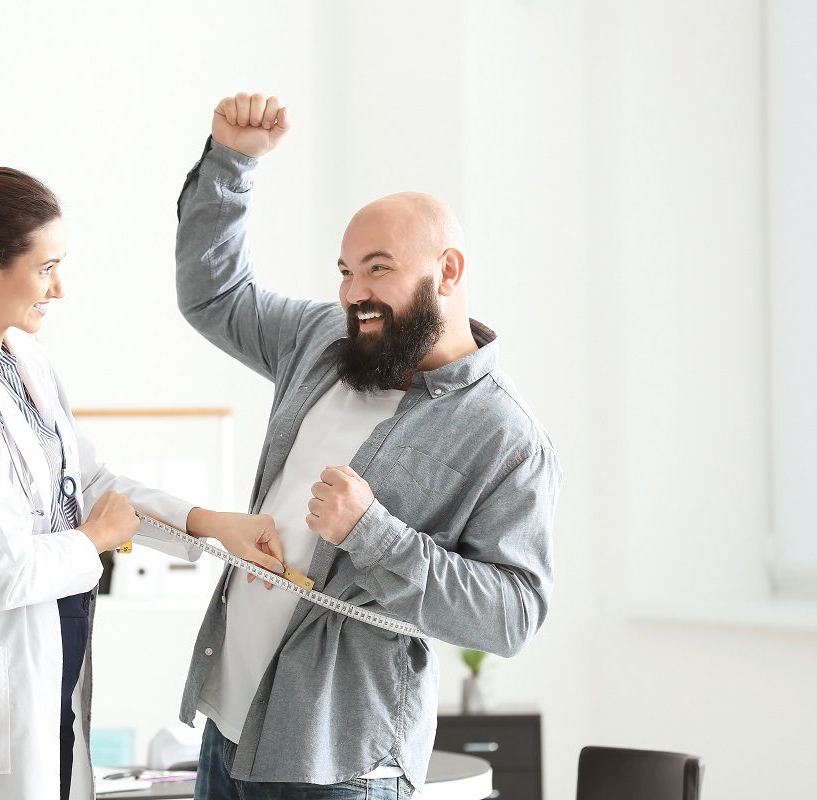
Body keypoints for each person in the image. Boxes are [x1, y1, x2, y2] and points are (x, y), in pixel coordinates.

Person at [174, 93, 560, 799]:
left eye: (378, 268)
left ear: (447, 272)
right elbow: (213, 294)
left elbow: (512, 616)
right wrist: (231, 164)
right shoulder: (322, 340)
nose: (355, 292)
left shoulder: (506, 438)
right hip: (226, 732)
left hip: (336, 765)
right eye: (346, 271)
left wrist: (373, 535)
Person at [0, 166, 286, 800]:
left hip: (52, 651)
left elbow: (91, 484)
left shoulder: (23, 359)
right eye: (46, 267)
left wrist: (211, 525)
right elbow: (3, 568)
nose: (59, 288)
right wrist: (94, 540)